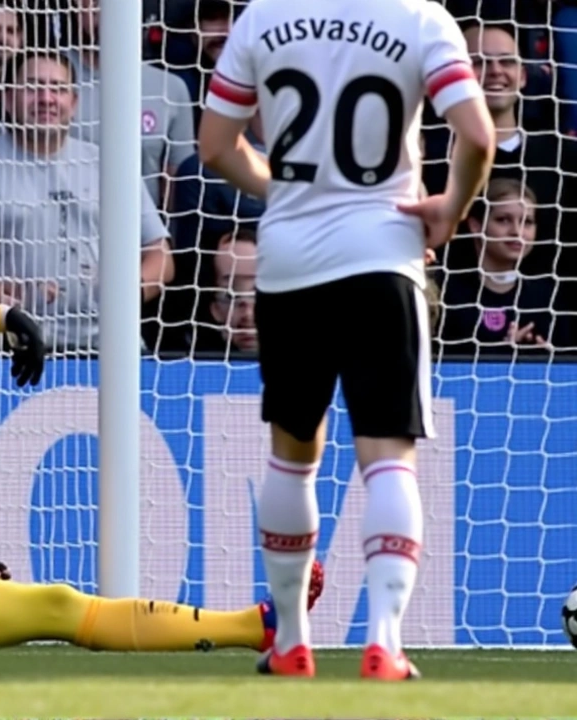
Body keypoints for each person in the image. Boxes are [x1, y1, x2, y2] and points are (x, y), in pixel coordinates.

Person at [197, 0, 495, 679]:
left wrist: (283, 195)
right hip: (382, 254)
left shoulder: (263, 19)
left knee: (292, 451)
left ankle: (292, 640)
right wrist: (450, 210)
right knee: (388, 454)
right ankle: (384, 643)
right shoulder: (421, 18)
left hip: (288, 263)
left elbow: (215, 145)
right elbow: (476, 135)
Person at [0, 299, 324, 653]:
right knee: (58, 606)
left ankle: (255, 627)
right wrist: (0, 317)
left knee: (54, 607)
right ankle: (254, 628)